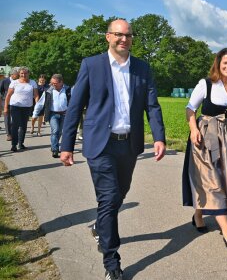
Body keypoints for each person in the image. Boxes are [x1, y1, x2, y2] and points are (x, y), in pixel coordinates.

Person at [60, 19, 166, 280]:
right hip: (100, 144)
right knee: (108, 199)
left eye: (128, 35)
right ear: (108, 37)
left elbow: (151, 106)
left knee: (119, 194)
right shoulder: (91, 65)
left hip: (129, 144)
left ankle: (99, 225)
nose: (124, 39)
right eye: (118, 34)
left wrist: (159, 137)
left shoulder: (142, 68)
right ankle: (112, 261)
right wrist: (66, 145)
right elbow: (75, 108)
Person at [182, 48, 227, 252]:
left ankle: (198, 214)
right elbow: (190, 108)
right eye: (225, 63)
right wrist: (193, 129)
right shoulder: (206, 84)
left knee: (222, 178)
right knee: (211, 179)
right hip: (206, 135)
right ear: (218, 64)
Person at [33, 74, 71, 158]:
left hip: (64, 114)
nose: (53, 85)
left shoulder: (68, 90)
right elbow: (40, 103)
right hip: (53, 114)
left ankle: (54, 145)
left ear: (61, 82)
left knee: (60, 132)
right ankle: (55, 150)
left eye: (55, 83)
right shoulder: (48, 91)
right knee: (55, 130)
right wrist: (35, 114)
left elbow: (72, 103)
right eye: (52, 83)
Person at [3, 67, 39, 151]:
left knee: (23, 125)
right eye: (22, 73)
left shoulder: (33, 82)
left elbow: (36, 95)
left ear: (28, 74)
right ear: (19, 74)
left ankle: (21, 143)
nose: (23, 75)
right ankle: (14, 144)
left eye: (25, 73)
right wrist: (5, 107)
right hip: (15, 106)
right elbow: (8, 95)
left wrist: (38, 105)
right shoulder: (14, 83)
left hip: (27, 107)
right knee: (15, 125)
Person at [1, 68, 19, 141]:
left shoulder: (18, 81)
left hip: (16, 102)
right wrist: (3, 97)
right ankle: (9, 134)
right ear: (12, 75)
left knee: (15, 118)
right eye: (16, 75)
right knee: (7, 118)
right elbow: (1, 90)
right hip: (6, 101)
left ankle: (14, 132)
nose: (18, 76)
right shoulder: (5, 81)